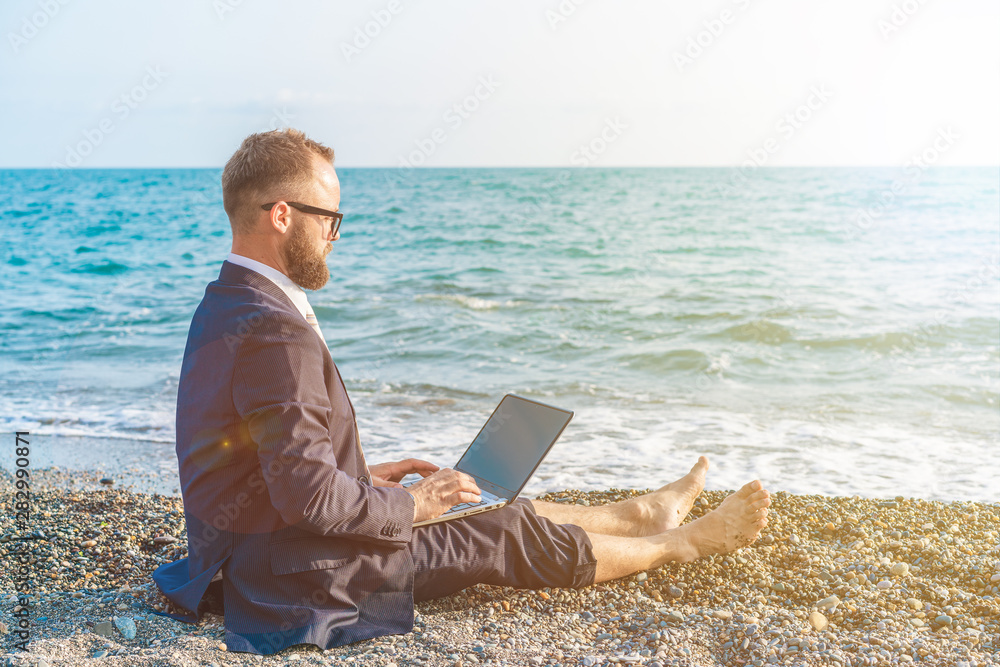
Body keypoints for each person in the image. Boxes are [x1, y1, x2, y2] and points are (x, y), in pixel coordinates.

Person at [150, 128, 771, 655]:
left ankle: (640, 516)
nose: (335, 235)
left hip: (255, 550)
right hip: (292, 575)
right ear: (282, 215)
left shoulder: (229, 301)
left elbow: (263, 454)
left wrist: (362, 476)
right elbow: (309, 497)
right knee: (496, 533)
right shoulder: (272, 330)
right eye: (329, 218)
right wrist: (409, 507)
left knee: (478, 505)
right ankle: (684, 542)